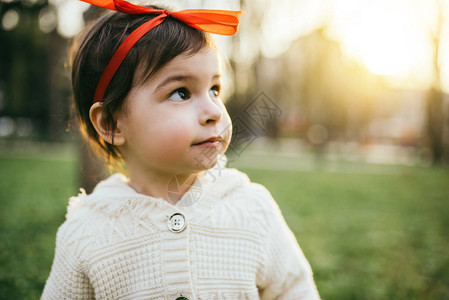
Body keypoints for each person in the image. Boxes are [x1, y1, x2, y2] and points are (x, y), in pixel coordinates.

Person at [42, 0, 320, 299]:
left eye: (215, 89)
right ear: (112, 123)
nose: (213, 111)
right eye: (181, 93)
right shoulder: (86, 233)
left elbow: (295, 290)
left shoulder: (252, 209)